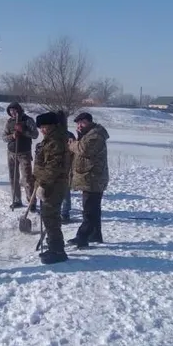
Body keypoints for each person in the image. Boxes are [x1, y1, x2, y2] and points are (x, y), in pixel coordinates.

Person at [67, 112, 110, 249]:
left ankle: (82, 236)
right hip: (90, 177)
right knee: (93, 209)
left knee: (89, 210)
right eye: (78, 123)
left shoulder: (95, 135)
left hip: (93, 178)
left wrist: (72, 144)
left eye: (83, 122)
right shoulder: (88, 134)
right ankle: (95, 235)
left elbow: (84, 149)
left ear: (90, 122)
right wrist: (79, 138)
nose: (80, 126)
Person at [33, 112, 71, 264]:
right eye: (41, 127)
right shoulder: (49, 140)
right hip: (49, 182)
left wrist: (43, 184)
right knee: (49, 216)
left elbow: (53, 168)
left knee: (50, 216)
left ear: (52, 126)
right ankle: (53, 245)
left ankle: (57, 251)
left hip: (54, 184)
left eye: (44, 127)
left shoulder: (56, 142)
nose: (42, 130)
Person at [2, 102, 38, 211]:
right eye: (11, 111)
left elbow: (35, 134)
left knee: (27, 178)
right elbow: (4, 137)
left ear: (19, 110)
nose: (13, 112)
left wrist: (24, 131)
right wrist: (12, 136)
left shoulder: (28, 120)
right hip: (11, 153)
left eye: (15, 110)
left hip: (24, 153)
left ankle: (31, 202)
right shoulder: (9, 122)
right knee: (13, 177)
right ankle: (17, 200)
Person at [56, 111, 76, 223]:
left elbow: (74, 151)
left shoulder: (68, 136)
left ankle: (65, 213)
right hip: (56, 166)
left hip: (65, 166)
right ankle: (61, 212)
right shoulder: (53, 135)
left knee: (65, 190)